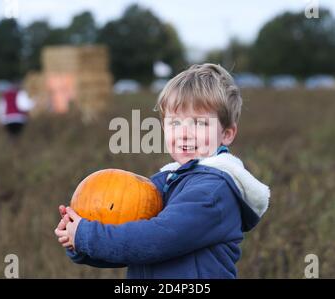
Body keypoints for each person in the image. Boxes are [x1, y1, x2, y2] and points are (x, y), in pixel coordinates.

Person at [54, 63, 271, 279]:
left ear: (227, 134)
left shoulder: (213, 192)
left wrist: (87, 235)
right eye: (175, 123)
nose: (184, 134)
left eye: (199, 123)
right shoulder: (164, 183)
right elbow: (129, 249)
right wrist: (76, 240)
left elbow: (156, 240)